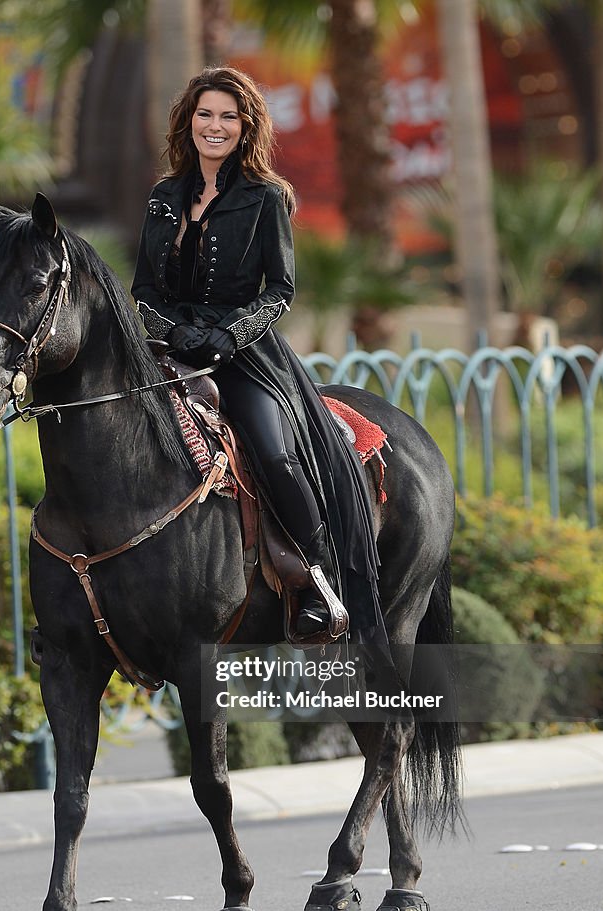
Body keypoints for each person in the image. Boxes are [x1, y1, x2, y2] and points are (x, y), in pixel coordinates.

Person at [132, 66, 385, 644]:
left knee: (272, 452)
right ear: (187, 123)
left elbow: (280, 289)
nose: (214, 126)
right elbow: (143, 289)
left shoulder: (266, 197)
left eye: (227, 116)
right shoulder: (162, 198)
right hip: (170, 351)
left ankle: (318, 584)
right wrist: (175, 330)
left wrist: (229, 334)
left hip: (245, 355)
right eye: (204, 115)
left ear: (245, 127)